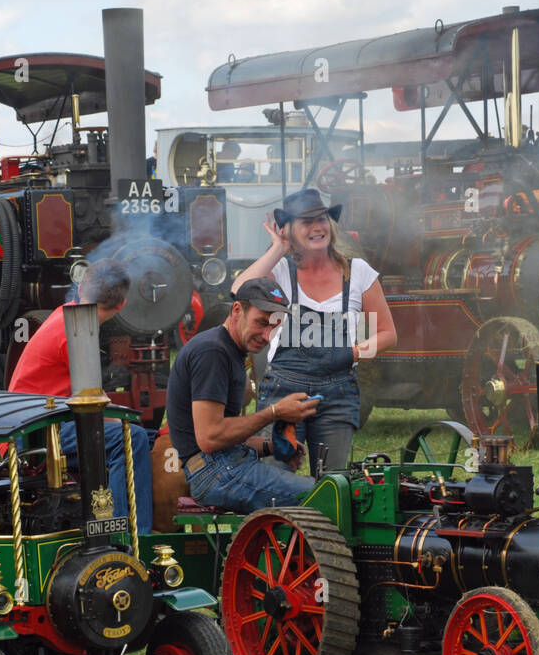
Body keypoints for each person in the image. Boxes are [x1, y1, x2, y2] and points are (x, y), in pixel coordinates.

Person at [232, 188, 396, 474]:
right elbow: (238, 290)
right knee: (276, 481)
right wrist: (277, 249)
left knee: (333, 485)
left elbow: (387, 334)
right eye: (306, 222)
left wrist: (352, 353)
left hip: (338, 393)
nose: (317, 227)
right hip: (282, 390)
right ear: (290, 230)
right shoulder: (281, 272)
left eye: (321, 219)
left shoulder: (358, 272)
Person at [8, 259, 152, 533]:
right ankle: (131, 536)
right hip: (35, 433)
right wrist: (131, 426)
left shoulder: (66, 314)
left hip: (39, 423)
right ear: (122, 304)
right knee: (132, 439)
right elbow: (95, 407)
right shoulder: (75, 330)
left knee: (141, 435)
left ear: (81, 286)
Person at [167, 277, 320, 513]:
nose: (268, 336)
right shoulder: (213, 352)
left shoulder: (230, 350)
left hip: (222, 466)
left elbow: (225, 438)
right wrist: (275, 412)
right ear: (237, 310)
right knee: (327, 496)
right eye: (261, 323)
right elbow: (210, 438)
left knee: (328, 491)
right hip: (215, 474)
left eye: (275, 327)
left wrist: (272, 446)